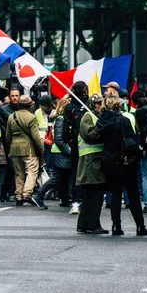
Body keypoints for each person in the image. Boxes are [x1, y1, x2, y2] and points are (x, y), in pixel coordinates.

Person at [95, 96, 147, 236]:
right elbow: (131, 140)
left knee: (115, 194)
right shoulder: (123, 120)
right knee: (133, 195)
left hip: (109, 160)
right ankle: (140, 225)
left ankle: (116, 225)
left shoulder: (101, 122)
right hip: (125, 161)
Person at [75, 94, 108, 234]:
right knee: (95, 194)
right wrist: (103, 129)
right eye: (98, 103)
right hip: (90, 161)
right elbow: (89, 135)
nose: (101, 106)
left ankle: (84, 224)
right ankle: (93, 224)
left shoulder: (97, 117)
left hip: (94, 160)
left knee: (91, 194)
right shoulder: (89, 117)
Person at [33, 96, 73, 209]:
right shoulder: (61, 119)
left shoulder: (60, 118)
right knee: (58, 177)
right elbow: (59, 140)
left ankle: (65, 199)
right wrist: (68, 151)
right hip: (60, 152)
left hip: (58, 151)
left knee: (65, 176)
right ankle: (39, 195)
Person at [4, 95, 44, 206]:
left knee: (18, 173)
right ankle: (27, 194)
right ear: (30, 105)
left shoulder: (12, 116)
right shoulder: (31, 117)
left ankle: (19, 196)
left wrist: (8, 149)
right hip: (28, 148)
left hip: (14, 148)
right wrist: (41, 149)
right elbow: (35, 136)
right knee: (32, 171)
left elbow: (7, 136)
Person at [63, 81, 89, 214]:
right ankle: (78, 201)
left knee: (78, 174)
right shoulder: (71, 107)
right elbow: (65, 128)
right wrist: (71, 141)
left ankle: (78, 201)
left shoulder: (88, 105)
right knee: (81, 174)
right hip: (83, 146)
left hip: (82, 146)